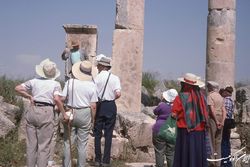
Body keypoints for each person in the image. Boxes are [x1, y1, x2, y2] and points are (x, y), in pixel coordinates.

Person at [15, 58, 63, 167]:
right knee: (44, 145)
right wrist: (63, 112)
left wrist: (29, 96)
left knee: (31, 145)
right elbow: (56, 99)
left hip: (33, 109)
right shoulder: (55, 84)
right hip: (46, 111)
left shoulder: (34, 81)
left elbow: (17, 88)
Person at [58, 60, 98, 167]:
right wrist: (93, 121)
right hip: (85, 113)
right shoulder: (92, 85)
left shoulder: (70, 82)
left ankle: (66, 165)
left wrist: (63, 112)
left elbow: (62, 98)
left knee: (68, 143)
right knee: (82, 145)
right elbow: (93, 106)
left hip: (70, 111)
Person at [172, 73, 208, 167]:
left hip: (185, 131)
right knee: (197, 155)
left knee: (184, 156)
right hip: (200, 132)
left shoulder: (180, 97)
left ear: (185, 85)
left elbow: (174, 114)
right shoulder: (202, 98)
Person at [93, 55, 121, 167]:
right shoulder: (115, 78)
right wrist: (112, 98)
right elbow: (118, 93)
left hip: (99, 105)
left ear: (101, 66)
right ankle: (105, 161)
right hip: (110, 105)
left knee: (97, 134)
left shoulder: (96, 78)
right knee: (108, 134)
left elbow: (93, 94)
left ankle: (97, 159)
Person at [152, 89, 178, 167]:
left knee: (159, 152)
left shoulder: (162, 105)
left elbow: (155, 111)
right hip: (172, 131)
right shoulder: (177, 108)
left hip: (159, 129)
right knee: (171, 153)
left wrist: (161, 103)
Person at [207, 81, 226, 167]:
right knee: (218, 141)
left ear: (211, 87)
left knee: (211, 140)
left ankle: (212, 162)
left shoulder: (210, 96)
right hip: (221, 117)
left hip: (213, 119)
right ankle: (218, 162)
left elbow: (212, 109)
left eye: (208, 86)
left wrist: (216, 121)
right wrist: (222, 121)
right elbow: (224, 110)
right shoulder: (220, 97)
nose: (208, 88)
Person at [220, 86, 234, 167]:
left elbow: (223, 111)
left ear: (227, 92)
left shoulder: (225, 100)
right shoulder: (231, 101)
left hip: (225, 121)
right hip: (229, 122)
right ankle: (228, 160)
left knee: (223, 142)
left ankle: (224, 161)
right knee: (227, 141)